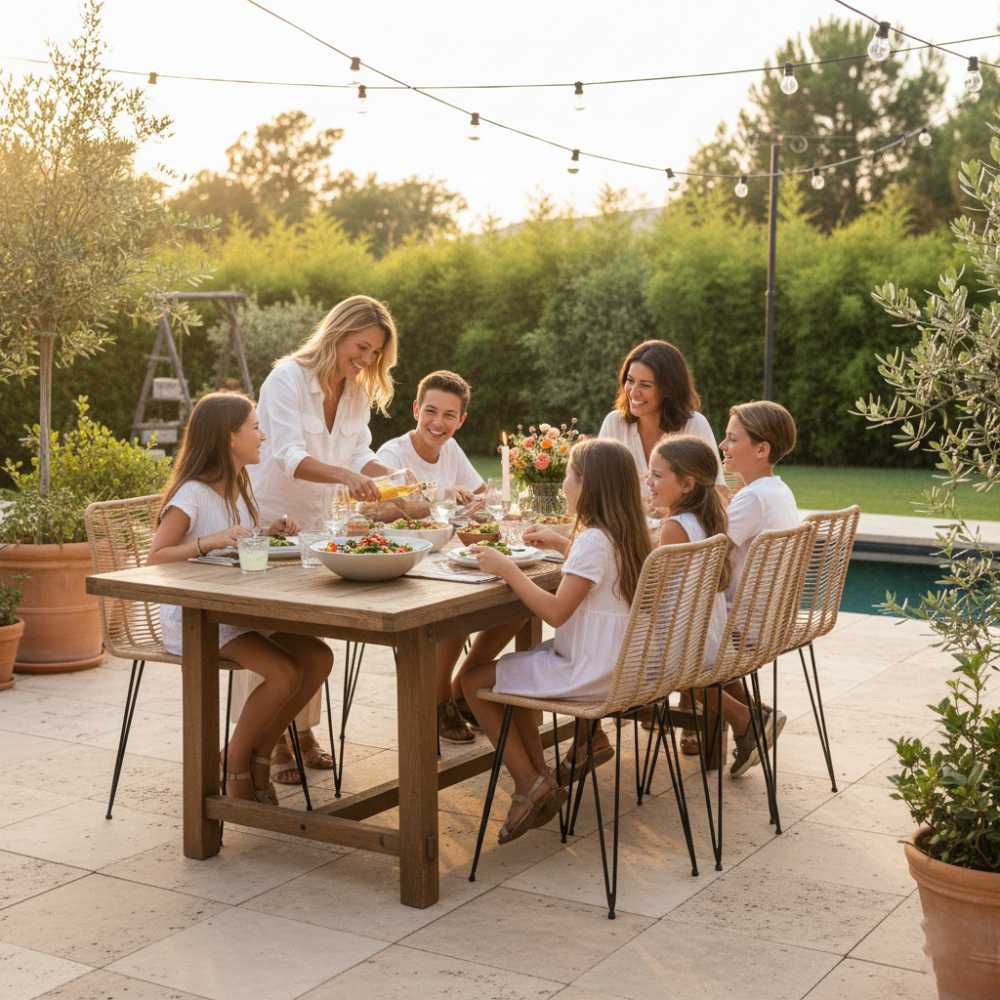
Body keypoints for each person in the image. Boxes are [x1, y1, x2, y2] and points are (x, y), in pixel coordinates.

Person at [239, 294, 400, 784]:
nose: (366, 359)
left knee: (309, 629)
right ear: (338, 332)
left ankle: (302, 730)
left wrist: (394, 477)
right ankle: (272, 739)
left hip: (315, 525)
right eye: (362, 347)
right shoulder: (286, 379)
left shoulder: (354, 392)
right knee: (269, 631)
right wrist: (347, 477)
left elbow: (359, 451)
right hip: (269, 521)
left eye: (375, 353)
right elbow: (288, 455)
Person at [460, 438, 651, 844]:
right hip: (622, 666)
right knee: (516, 670)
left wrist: (508, 569)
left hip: (590, 673)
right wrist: (563, 544)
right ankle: (540, 778)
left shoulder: (593, 540)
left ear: (587, 485)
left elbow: (555, 613)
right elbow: (600, 573)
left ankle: (528, 783)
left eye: (568, 476)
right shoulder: (626, 534)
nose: (564, 485)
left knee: (472, 680)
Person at [148, 392, 333, 803]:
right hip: (196, 618)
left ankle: (256, 754)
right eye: (256, 427)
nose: (263, 436)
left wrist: (267, 533)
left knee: (319, 657)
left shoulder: (238, 486)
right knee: (284, 673)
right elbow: (155, 556)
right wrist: (210, 541)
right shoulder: (192, 494)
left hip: (234, 610)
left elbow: (236, 542)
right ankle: (236, 764)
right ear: (230, 437)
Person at [375, 370, 487, 744]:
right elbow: (379, 510)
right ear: (415, 410)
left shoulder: (451, 450)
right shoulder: (393, 454)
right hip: (397, 563)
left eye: (449, 415)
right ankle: (437, 701)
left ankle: (463, 686)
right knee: (457, 609)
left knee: (515, 603)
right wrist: (442, 497)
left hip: (438, 560)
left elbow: (480, 496)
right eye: (431, 411)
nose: (438, 423)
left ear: (462, 420)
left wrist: (477, 507)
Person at [716, 399, 799, 776]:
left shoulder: (753, 498)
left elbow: (704, 557)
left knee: (661, 646)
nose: (723, 445)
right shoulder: (776, 490)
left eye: (732, 439)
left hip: (742, 630)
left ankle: (746, 719)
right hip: (768, 623)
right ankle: (755, 716)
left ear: (762, 449)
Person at [599, 340, 724, 483]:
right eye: (630, 380)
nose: (633, 392)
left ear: (668, 389)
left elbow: (716, 489)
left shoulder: (694, 425)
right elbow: (597, 486)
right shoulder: (614, 423)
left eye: (645, 385)